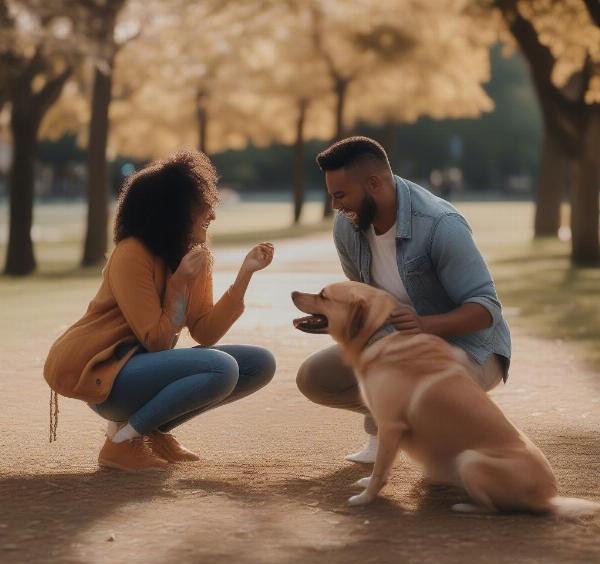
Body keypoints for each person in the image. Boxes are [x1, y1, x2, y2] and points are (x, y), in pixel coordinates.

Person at [44, 151, 276, 472]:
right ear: (173, 212)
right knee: (221, 368)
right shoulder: (131, 255)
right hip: (107, 379)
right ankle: (122, 443)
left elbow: (205, 332)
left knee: (258, 363)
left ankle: (151, 430)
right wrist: (179, 283)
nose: (212, 214)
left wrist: (244, 275)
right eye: (200, 205)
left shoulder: (194, 254)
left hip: (142, 371)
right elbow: (156, 341)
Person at [296, 137, 511, 464]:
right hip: (398, 344)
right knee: (315, 377)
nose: (336, 206)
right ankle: (395, 423)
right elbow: (362, 301)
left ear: (374, 184)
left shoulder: (439, 224)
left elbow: (486, 310)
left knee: (409, 378)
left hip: (470, 348)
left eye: (340, 196)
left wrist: (426, 324)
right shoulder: (347, 224)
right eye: (332, 196)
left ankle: (453, 432)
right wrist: (335, 320)